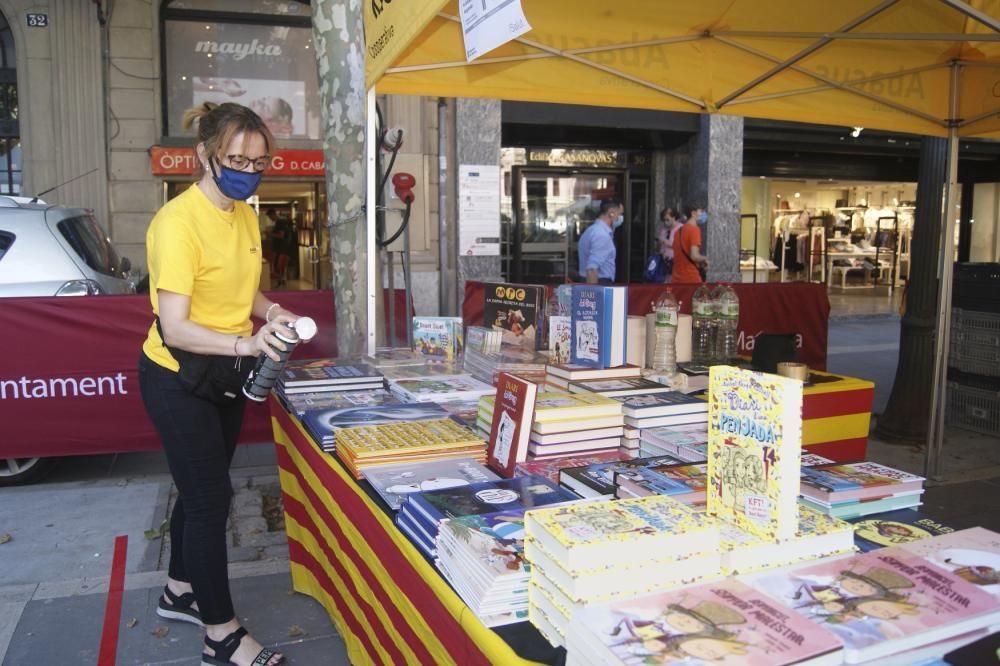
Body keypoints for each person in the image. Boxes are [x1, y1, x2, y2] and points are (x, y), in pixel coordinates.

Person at [138, 101, 298, 666]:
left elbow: (242, 290)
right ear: (204, 155)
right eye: (235, 158)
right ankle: (220, 634)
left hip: (224, 370)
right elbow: (177, 327)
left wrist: (271, 311)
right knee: (211, 499)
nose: (248, 170)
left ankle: (179, 589)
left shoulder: (245, 212)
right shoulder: (177, 223)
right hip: (177, 376)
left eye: (258, 161)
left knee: (201, 486)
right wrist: (248, 345)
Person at [577, 199, 624, 284]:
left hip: (591, 282)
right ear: (611, 213)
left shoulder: (591, 230)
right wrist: (592, 295)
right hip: (599, 283)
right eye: (619, 214)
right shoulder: (601, 235)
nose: (620, 218)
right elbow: (591, 269)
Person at [672, 203, 710, 283]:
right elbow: (694, 256)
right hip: (690, 278)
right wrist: (705, 259)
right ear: (693, 213)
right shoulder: (694, 230)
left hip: (676, 278)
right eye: (701, 211)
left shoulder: (678, 231)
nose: (703, 214)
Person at [271, 214, 295, 287]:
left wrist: (271, 234)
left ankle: (281, 280)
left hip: (282, 249)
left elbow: (281, 235)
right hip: (285, 249)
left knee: (279, 265)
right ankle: (282, 280)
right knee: (282, 266)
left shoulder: (280, 224)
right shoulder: (288, 228)